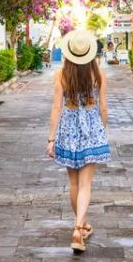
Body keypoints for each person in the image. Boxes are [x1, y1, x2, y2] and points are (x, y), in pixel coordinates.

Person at [47, 29, 110, 253]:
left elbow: (56, 108)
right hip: (91, 129)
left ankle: (80, 225)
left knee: (73, 184)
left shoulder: (61, 75)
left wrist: (51, 139)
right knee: (86, 184)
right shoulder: (99, 74)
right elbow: (103, 107)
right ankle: (78, 228)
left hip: (68, 130)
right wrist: (101, 128)